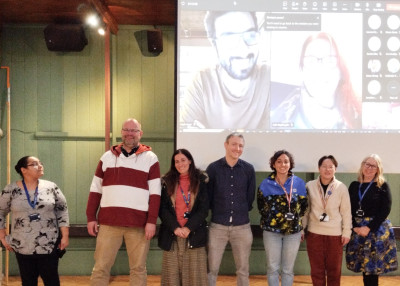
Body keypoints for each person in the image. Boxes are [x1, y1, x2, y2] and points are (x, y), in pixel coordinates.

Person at [86, 118, 161, 286]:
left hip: (139, 225)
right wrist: (91, 217)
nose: (129, 133)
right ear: (121, 132)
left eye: (134, 130)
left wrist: (151, 222)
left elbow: (155, 194)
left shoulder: (150, 158)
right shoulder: (106, 157)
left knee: (138, 269)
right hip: (108, 224)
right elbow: (95, 189)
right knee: (100, 268)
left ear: (140, 134)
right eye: (126, 130)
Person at [180, 11, 270, 129]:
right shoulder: (201, 80)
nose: (243, 49)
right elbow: (189, 134)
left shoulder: (270, 77)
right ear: (214, 44)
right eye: (230, 39)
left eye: (250, 36)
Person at [0, 156, 69, 286]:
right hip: (22, 245)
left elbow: (62, 210)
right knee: (28, 282)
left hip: (49, 243)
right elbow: (0, 211)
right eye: (34, 164)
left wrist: (65, 235)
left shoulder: (51, 187)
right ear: (23, 170)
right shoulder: (11, 189)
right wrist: (2, 236)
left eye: (40, 163)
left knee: (52, 281)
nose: (40, 166)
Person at [271, 32, 361, 129]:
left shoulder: (358, 114)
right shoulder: (282, 117)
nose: (319, 70)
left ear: (340, 71)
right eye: (311, 61)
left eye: (330, 60)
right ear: (302, 70)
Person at [206, 132, 256, 286]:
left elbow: (249, 198)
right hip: (217, 227)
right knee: (211, 269)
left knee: (243, 270)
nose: (237, 148)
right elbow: (208, 196)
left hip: (242, 227)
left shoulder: (248, 169)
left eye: (241, 145)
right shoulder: (213, 168)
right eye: (234, 144)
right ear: (226, 145)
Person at [158, 149, 209, 285]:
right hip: (172, 235)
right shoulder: (166, 182)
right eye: (177, 161)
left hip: (194, 234)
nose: (180, 164)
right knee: (171, 278)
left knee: (194, 278)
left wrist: (188, 228)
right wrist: (175, 228)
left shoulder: (201, 181)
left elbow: (203, 209)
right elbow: (162, 209)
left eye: (183, 160)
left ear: (190, 161)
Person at [257, 150, 308, 286]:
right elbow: (261, 206)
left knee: (288, 269)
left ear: (290, 164)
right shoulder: (265, 184)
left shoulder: (299, 183)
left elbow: (303, 206)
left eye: (286, 161)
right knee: (272, 268)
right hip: (271, 232)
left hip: (293, 233)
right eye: (279, 161)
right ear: (273, 164)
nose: (283, 164)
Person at [346, 154, 398, 286]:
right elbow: (347, 208)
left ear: (378, 169)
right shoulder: (354, 185)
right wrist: (355, 227)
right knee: (365, 267)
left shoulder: (382, 186)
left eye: (373, 165)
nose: (369, 168)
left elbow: (385, 209)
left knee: (373, 269)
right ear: (362, 166)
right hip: (358, 230)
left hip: (376, 231)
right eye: (366, 164)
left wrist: (368, 228)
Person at [302, 155, 352, 286]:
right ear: (319, 168)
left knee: (334, 272)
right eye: (324, 166)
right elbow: (305, 211)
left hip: (335, 236)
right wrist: (302, 229)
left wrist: (347, 232)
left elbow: (346, 212)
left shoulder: (341, 187)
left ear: (335, 169)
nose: (327, 169)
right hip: (314, 234)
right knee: (316, 271)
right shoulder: (310, 186)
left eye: (331, 167)